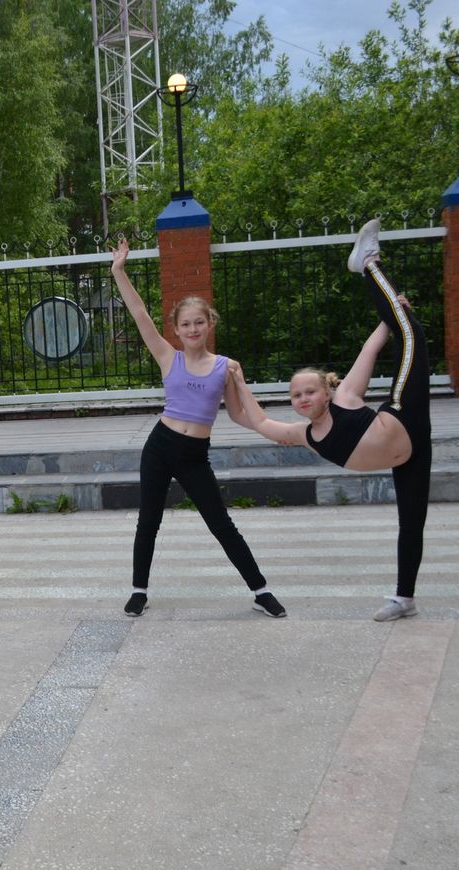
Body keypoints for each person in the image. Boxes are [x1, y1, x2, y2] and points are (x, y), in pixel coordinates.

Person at [225, 219, 431, 622]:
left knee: (411, 335)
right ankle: (404, 599)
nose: (304, 399)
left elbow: (370, 350)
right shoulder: (305, 435)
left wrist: (392, 315)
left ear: (325, 391)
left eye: (310, 391)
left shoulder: (346, 398)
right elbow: (259, 422)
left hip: (406, 417)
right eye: (296, 396)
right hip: (411, 455)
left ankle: (368, 262)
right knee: (411, 524)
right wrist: (239, 381)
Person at [109, 238, 287, 619]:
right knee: (149, 521)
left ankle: (261, 590)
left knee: (221, 523)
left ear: (210, 324)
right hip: (160, 447)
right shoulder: (167, 356)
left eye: (199, 322)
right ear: (176, 329)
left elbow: (239, 415)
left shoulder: (226, 367)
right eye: (185, 323)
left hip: (194, 456)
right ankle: (139, 590)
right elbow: (139, 313)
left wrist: (274, 430)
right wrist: (118, 270)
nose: (192, 328)